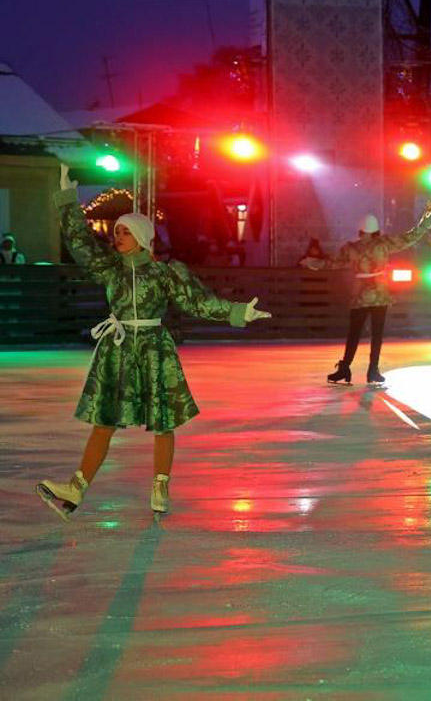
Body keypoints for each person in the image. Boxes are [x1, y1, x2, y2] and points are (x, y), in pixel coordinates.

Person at [37, 165, 272, 520]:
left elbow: (197, 301)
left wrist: (238, 312)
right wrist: (68, 201)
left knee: (163, 419)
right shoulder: (110, 268)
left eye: (125, 231)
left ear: (143, 237)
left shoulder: (164, 272)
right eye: (116, 231)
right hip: (117, 349)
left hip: (153, 347)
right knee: (105, 420)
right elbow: (81, 243)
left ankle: (160, 485)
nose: (118, 236)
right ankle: (77, 485)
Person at [303, 207, 431, 386]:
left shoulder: (352, 248)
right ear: (376, 230)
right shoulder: (383, 244)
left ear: (360, 229)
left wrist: (314, 263)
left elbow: (333, 263)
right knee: (377, 334)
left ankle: (345, 368)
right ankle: (373, 370)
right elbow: (408, 238)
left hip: (360, 295)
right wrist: (425, 224)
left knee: (354, 334)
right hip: (380, 294)